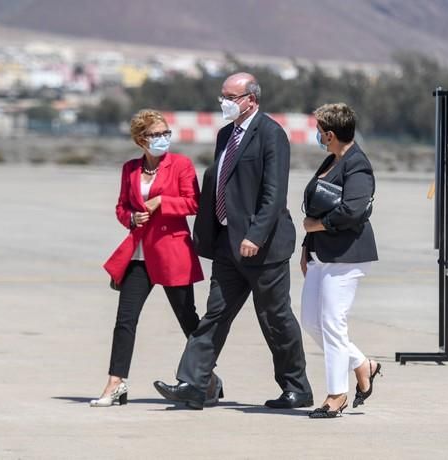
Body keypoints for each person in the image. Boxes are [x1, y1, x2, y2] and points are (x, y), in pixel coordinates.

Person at [153, 72, 313, 410]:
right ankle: (194, 383)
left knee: (275, 318)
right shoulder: (226, 134)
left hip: (263, 247)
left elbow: (273, 194)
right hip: (228, 243)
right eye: (222, 96)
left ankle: (296, 387)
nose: (224, 102)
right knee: (215, 314)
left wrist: (255, 235)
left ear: (250, 99)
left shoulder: (271, 135)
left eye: (231, 96)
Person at [90, 109, 210, 407]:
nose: (163, 139)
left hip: (172, 252)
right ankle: (116, 383)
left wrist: (161, 202)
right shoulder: (130, 169)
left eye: (165, 133)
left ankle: (206, 378)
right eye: (156, 135)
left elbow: (193, 202)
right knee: (124, 321)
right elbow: (121, 207)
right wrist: (131, 217)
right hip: (139, 255)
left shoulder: (181, 164)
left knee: (188, 321)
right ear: (141, 140)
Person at [300, 103, 381, 418]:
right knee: (311, 320)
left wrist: (314, 227)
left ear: (330, 134)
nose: (317, 136)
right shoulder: (332, 159)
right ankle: (363, 364)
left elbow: (352, 210)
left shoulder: (357, 164)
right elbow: (318, 204)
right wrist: (308, 244)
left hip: (347, 256)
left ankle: (337, 395)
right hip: (323, 255)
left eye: (320, 131)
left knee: (333, 324)